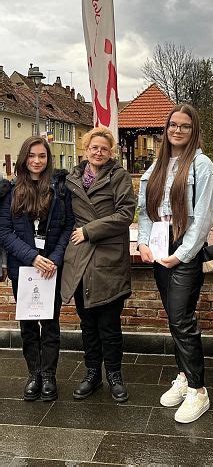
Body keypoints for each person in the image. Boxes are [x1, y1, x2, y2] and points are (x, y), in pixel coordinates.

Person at [138, 103, 213, 424]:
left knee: (182, 319)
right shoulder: (157, 166)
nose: (178, 130)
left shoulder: (202, 166)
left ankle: (199, 390)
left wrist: (182, 253)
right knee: (174, 318)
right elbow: (146, 211)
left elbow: (203, 217)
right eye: (173, 125)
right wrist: (144, 242)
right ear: (166, 129)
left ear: (193, 130)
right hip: (160, 245)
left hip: (184, 248)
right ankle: (185, 377)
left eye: (185, 126)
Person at [61, 127, 135, 403]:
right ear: (85, 149)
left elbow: (126, 213)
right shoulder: (72, 179)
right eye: (94, 147)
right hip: (79, 258)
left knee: (109, 324)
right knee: (88, 324)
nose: (99, 152)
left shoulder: (119, 177)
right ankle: (92, 374)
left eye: (104, 148)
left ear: (111, 151)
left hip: (108, 257)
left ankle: (115, 375)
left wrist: (90, 230)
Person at [0, 136, 74, 401]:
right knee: (29, 326)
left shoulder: (59, 190)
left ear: (48, 159)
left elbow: (68, 227)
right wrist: (32, 257)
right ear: (24, 158)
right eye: (32, 156)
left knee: (50, 324)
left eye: (42, 156)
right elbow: (4, 232)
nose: (36, 161)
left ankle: (49, 376)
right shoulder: (10, 191)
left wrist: (54, 258)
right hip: (25, 269)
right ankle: (34, 375)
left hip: (50, 269)